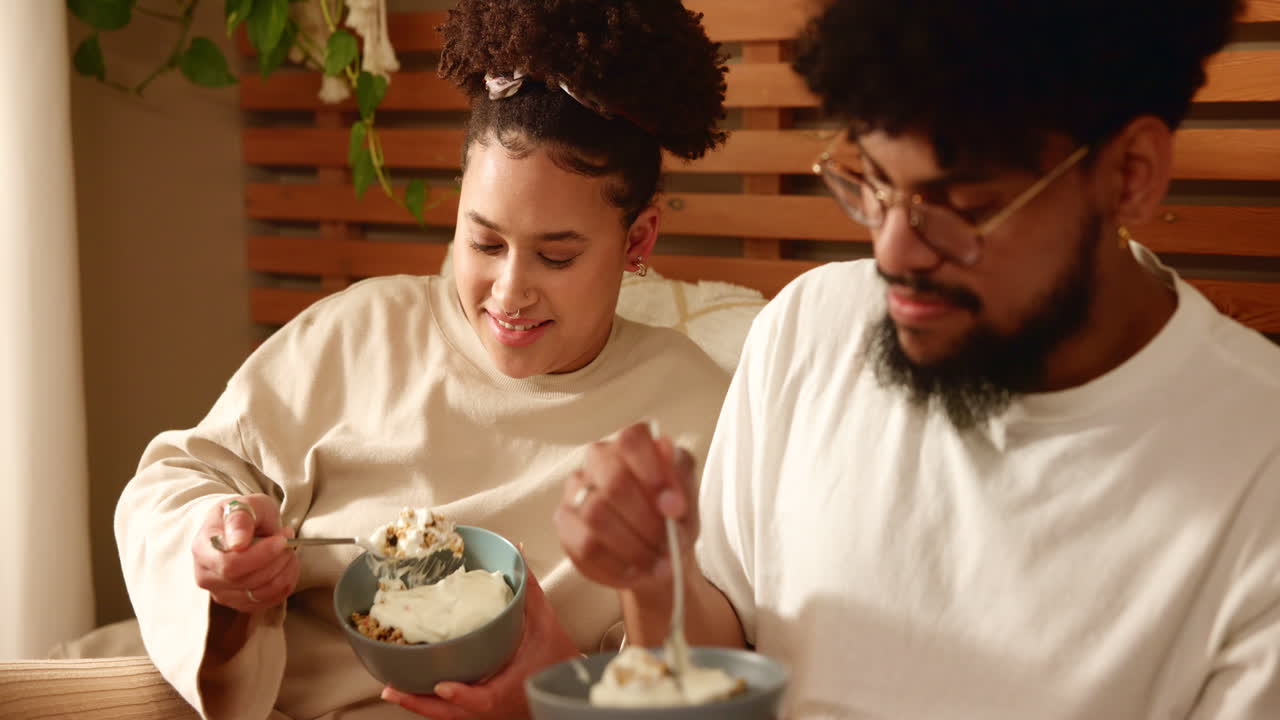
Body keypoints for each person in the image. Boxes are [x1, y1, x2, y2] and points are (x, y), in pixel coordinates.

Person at [557, 1, 1280, 717]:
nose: (893, 252)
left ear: (1130, 174)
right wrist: (657, 580)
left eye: (960, 203)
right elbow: (721, 655)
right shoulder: (809, 330)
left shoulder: (1256, 473)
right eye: (874, 183)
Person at [114, 2, 730, 719]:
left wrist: (558, 693)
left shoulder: (700, 417)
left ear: (639, 239)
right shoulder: (361, 333)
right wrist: (218, 545)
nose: (509, 293)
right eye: (484, 242)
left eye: (557, 255)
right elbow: (178, 476)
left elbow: (720, 664)